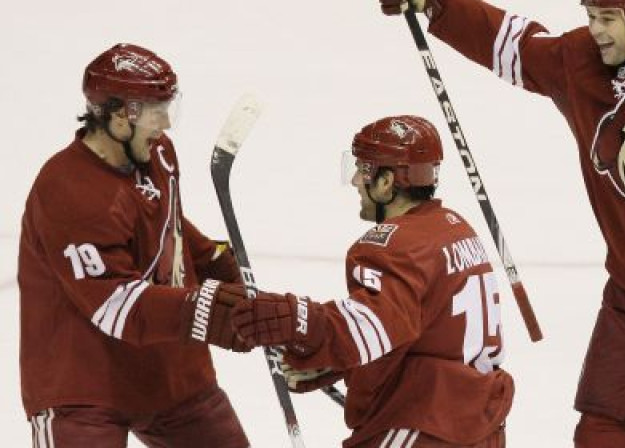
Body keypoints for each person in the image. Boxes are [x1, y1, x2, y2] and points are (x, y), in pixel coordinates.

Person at [376, 0, 625, 447]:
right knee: (602, 430)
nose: (596, 31)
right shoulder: (577, 61)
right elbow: (512, 44)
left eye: (608, 20)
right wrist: (438, 5)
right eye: (591, 17)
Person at [18, 43, 255, 447]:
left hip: (167, 371)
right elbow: (116, 307)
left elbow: (169, 226)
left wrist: (214, 261)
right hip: (83, 383)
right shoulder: (69, 190)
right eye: (155, 109)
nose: (165, 122)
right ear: (118, 115)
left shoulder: (157, 153)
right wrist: (207, 311)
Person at [228, 115, 514, 447]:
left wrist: (297, 320)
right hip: (480, 426)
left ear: (386, 181)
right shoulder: (456, 228)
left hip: (424, 424)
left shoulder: (393, 244)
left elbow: (375, 324)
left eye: (363, 169)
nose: (354, 180)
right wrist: (340, 365)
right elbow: (422, 334)